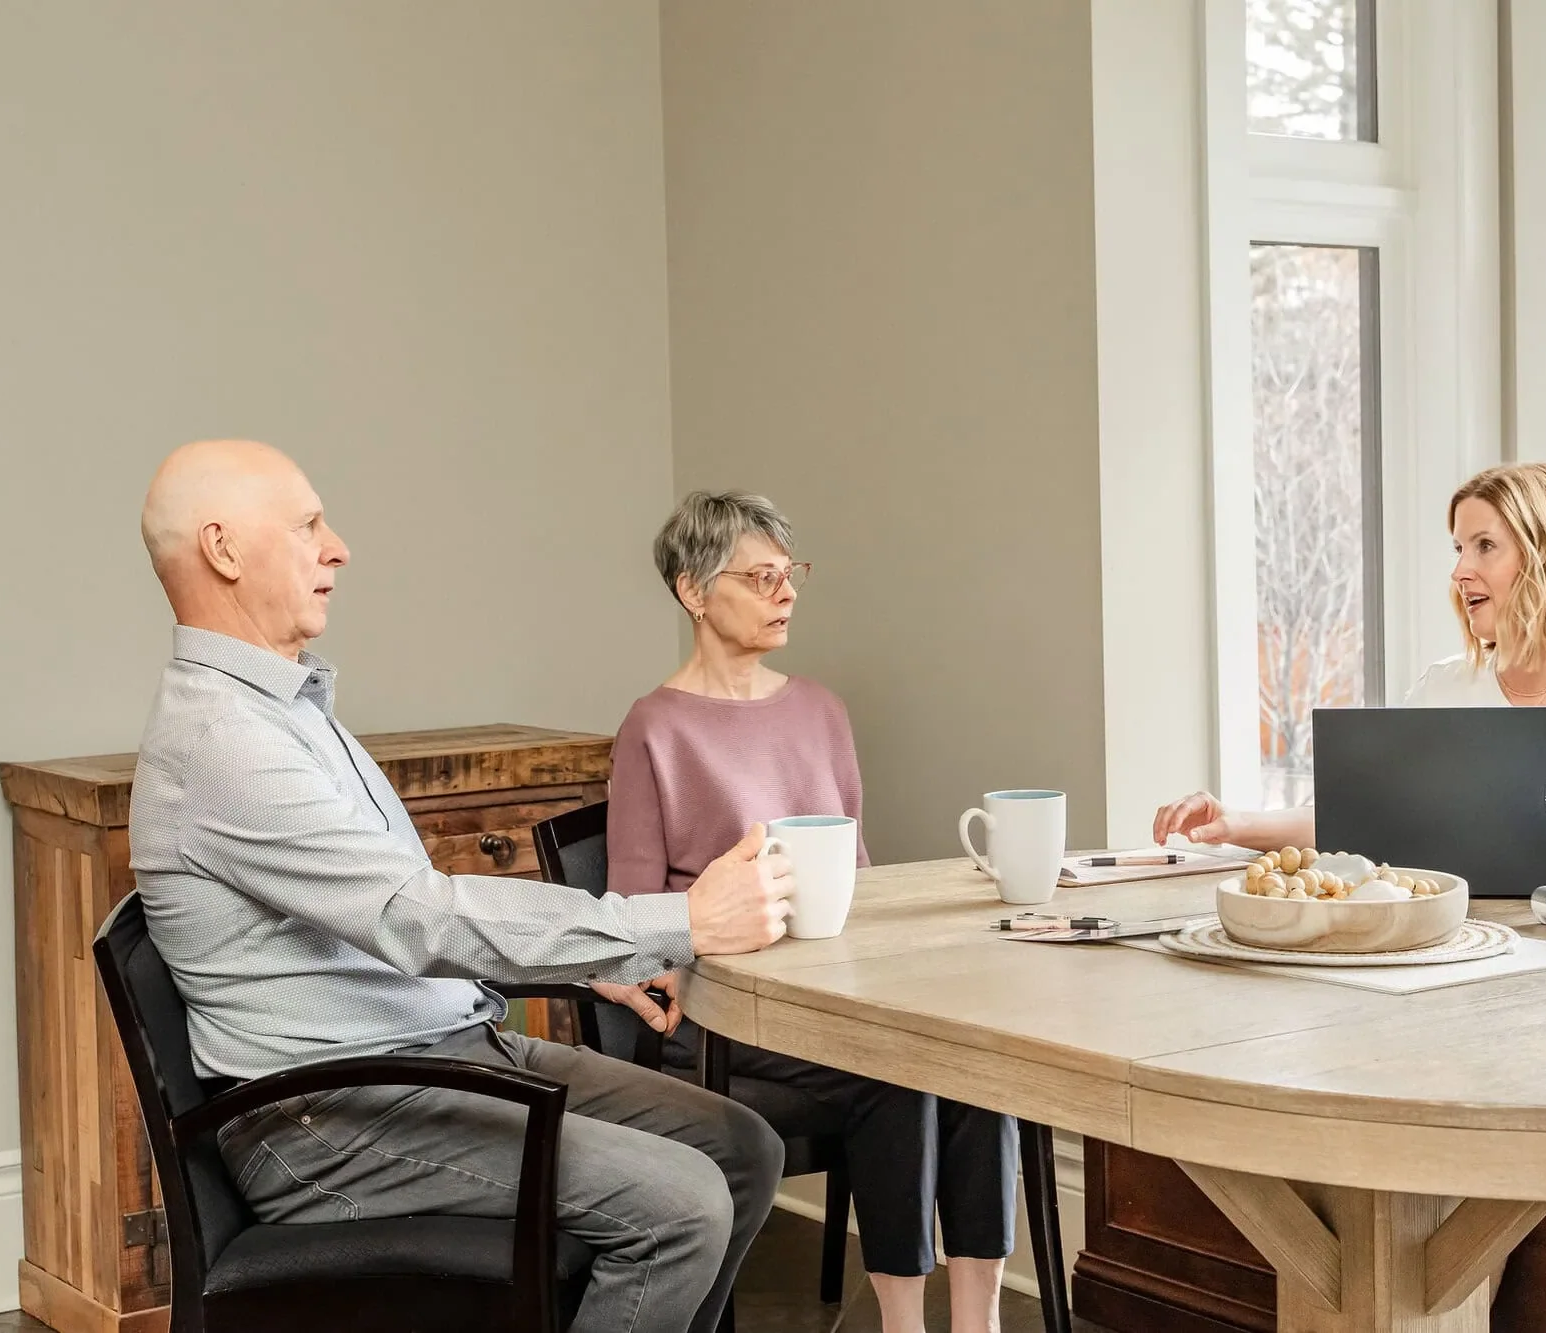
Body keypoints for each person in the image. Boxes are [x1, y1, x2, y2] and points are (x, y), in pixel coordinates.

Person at [129, 440, 793, 1333]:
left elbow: (403, 905)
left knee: (742, 1147)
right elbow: (418, 917)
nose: (338, 547)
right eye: (309, 524)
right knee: (681, 1204)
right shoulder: (222, 744)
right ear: (223, 549)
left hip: (436, 1055)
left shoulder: (281, 711)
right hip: (327, 1118)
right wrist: (683, 920)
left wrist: (581, 961)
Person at [608, 491, 1017, 1333]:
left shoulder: (820, 709)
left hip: (839, 985)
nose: (785, 591)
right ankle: (903, 1321)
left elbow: (856, 875)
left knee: (982, 1061)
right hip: (724, 1004)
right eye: (761, 577)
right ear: (693, 590)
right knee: (899, 1068)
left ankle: (978, 1320)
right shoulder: (653, 727)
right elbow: (637, 910)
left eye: (789, 574)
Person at [1155, 461, 1546, 871]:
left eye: (1485, 546)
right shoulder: (1444, 689)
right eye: (1458, 550)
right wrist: (1233, 823)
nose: (1460, 573)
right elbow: (1356, 820)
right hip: (1450, 964)